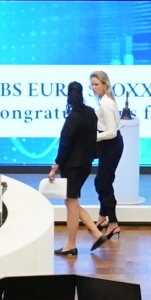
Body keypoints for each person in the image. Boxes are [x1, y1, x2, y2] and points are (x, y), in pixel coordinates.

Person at [49, 81, 104, 255]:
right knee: (72, 202)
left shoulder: (73, 117)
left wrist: (55, 166)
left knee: (71, 204)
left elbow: (65, 145)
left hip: (72, 166)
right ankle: (96, 233)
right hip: (86, 164)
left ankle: (71, 245)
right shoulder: (90, 113)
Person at [89, 71, 123, 250]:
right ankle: (103, 217)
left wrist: (92, 138)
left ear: (105, 84)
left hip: (110, 145)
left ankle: (113, 223)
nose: (93, 88)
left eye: (96, 84)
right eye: (92, 85)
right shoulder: (104, 101)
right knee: (100, 182)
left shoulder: (106, 104)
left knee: (104, 184)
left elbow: (112, 132)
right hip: (107, 145)